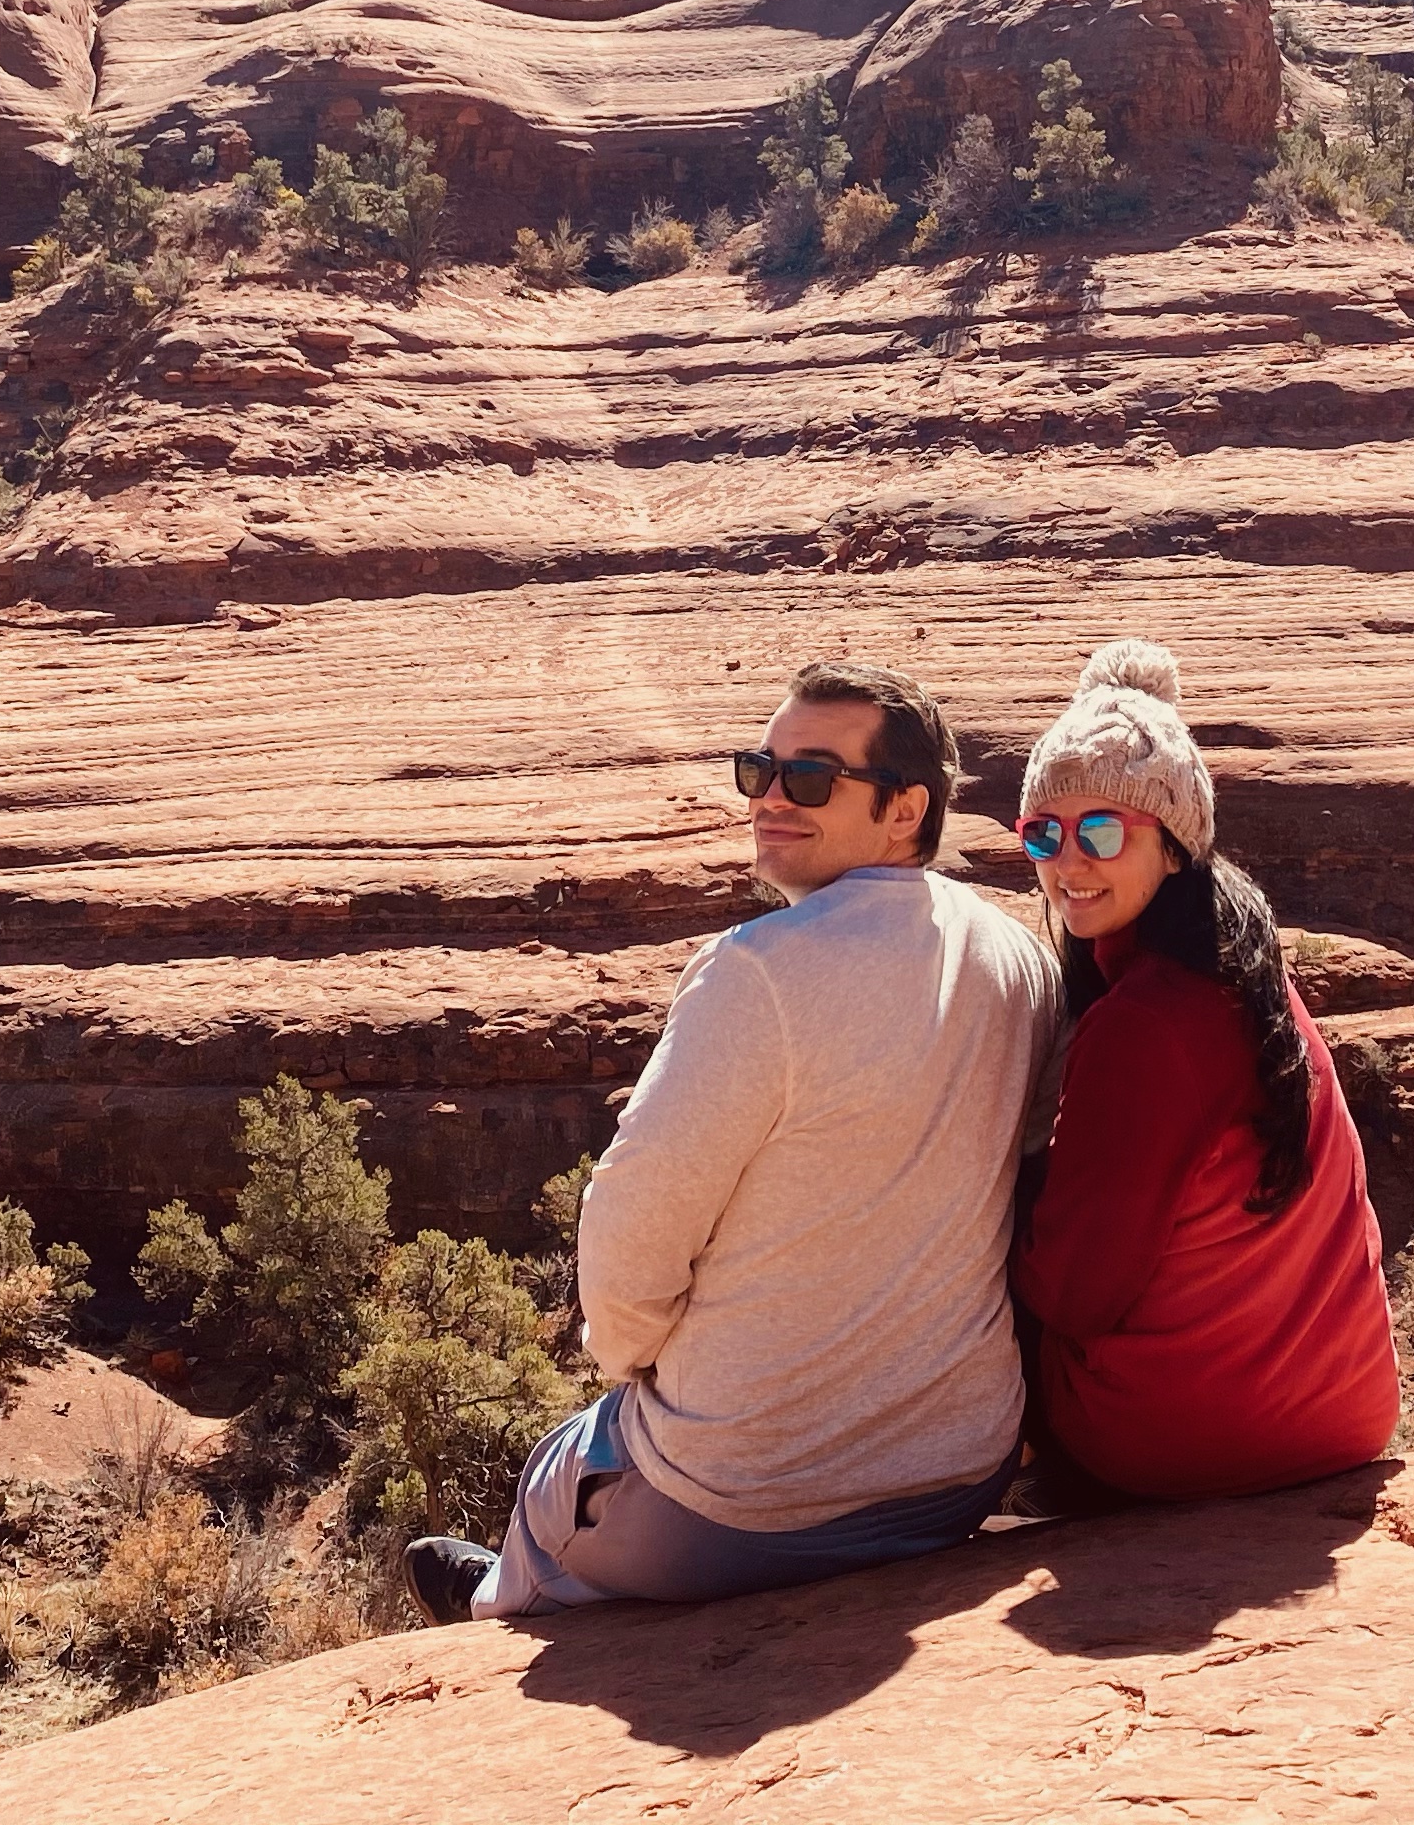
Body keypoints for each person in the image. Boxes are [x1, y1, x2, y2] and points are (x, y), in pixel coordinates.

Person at [408, 657, 1059, 1621]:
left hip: (740, 1504)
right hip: (953, 1474)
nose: (770, 799)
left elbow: (631, 1225)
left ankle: (504, 1598)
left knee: (566, 1469)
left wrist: (636, 1361)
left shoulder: (757, 973)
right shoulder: (1019, 957)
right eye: (760, 771)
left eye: (810, 779)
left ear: (904, 808)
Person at [1008, 639, 1397, 1502]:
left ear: (1176, 844)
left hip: (1181, 1443)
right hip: (1343, 1415)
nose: (1069, 862)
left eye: (1104, 830)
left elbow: (1073, 1294)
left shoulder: (1145, 1024)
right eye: (1045, 832)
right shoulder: (1251, 978)